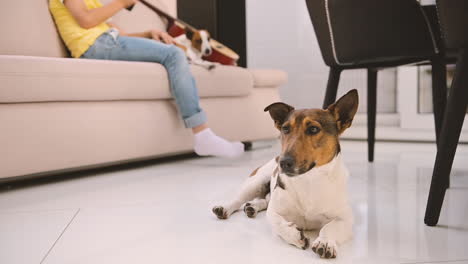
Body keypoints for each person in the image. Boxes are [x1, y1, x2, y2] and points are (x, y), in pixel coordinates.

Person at [49, 0, 245, 158]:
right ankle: (202, 134)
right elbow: (85, 21)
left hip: (106, 41)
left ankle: (203, 135)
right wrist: (121, 3)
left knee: (172, 53)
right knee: (174, 54)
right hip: (97, 44)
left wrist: (149, 34)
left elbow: (121, 35)